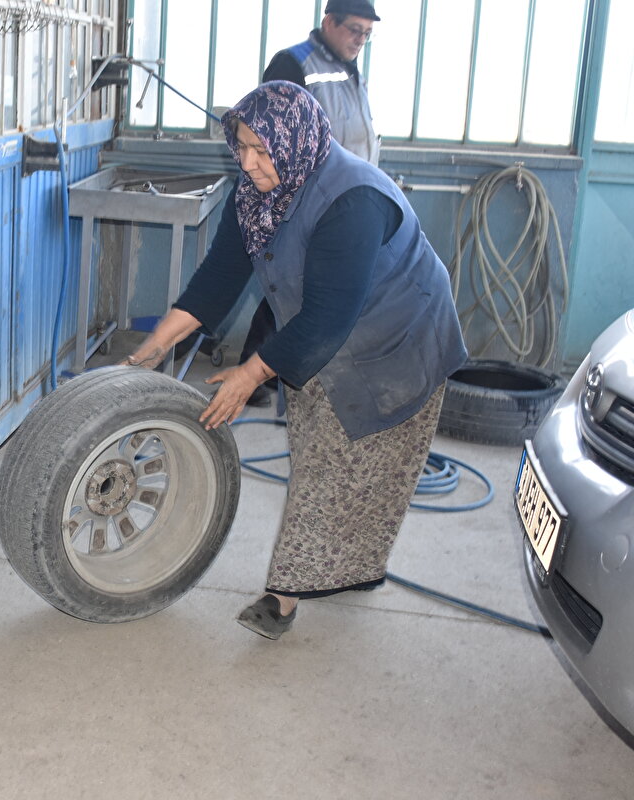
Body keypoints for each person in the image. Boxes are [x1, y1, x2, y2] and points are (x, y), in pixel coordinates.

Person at [124, 82, 467, 640]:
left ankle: (283, 597)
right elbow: (218, 280)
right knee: (322, 461)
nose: (250, 163)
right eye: (242, 148)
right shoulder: (257, 192)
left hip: (399, 339)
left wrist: (249, 375)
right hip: (323, 337)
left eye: (263, 151)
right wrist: (153, 346)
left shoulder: (352, 201)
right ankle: (347, 569)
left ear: (294, 141)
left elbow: (328, 317)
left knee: (353, 470)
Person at [241, 0, 382, 405]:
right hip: (304, 202)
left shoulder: (351, 70)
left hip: (348, 203)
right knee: (287, 293)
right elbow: (273, 137)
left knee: (306, 296)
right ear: (328, 23)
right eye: (354, 30)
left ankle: (264, 373)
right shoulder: (293, 64)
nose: (360, 40)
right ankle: (260, 374)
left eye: (367, 34)